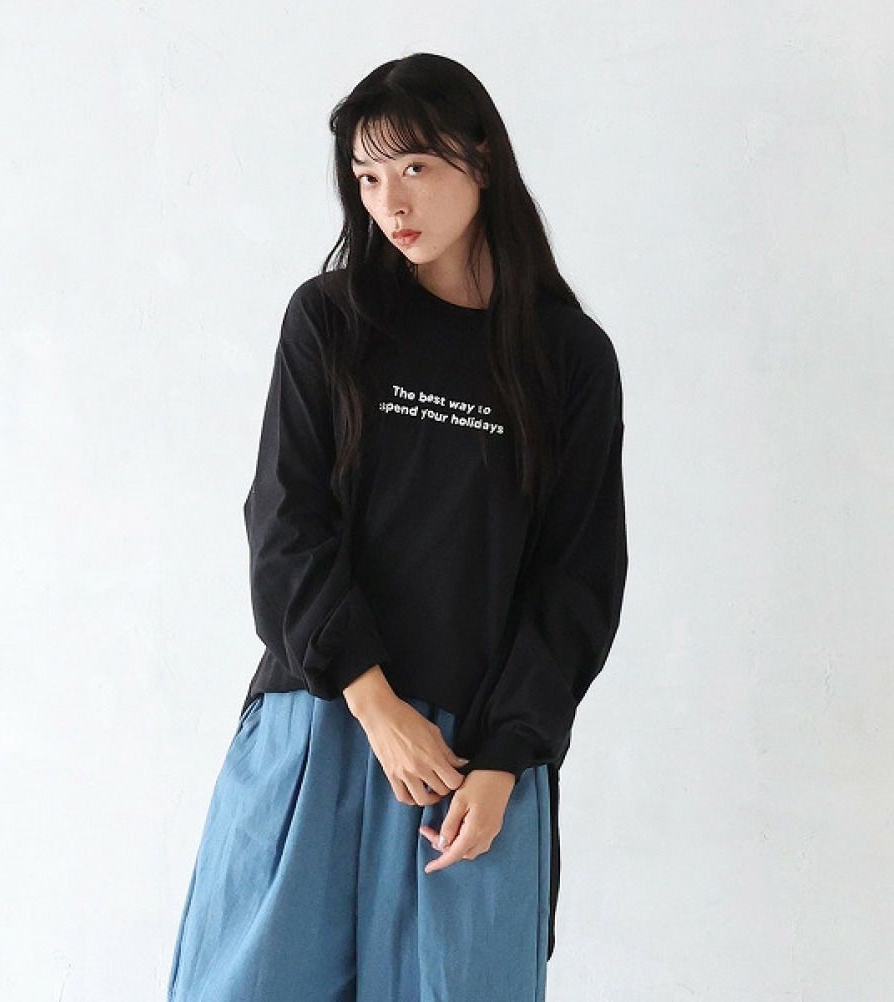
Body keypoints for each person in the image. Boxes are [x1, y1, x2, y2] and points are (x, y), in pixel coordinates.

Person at [166, 52, 628, 1002]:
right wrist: (376, 707)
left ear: (482, 160)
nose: (391, 201)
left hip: (474, 770)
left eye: (414, 166)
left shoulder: (568, 359)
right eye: (368, 177)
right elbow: (285, 524)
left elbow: (578, 577)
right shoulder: (331, 322)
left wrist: (504, 761)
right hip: (323, 722)